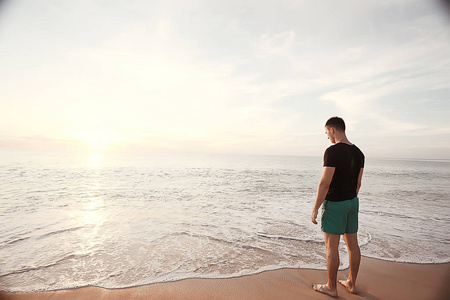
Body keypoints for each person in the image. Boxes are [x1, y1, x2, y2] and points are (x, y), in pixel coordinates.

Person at [311, 116, 365, 298]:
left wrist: (315, 208)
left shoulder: (332, 152)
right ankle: (351, 283)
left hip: (335, 204)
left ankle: (331, 287)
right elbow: (358, 184)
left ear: (333, 129)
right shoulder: (359, 153)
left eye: (327, 133)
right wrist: (350, 200)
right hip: (352, 202)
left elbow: (324, 184)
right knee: (353, 246)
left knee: (331, 247)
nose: (327, 137)